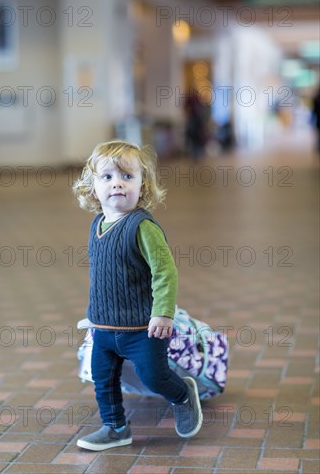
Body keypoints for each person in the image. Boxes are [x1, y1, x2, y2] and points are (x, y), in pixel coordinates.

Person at [73, 140, 202, 451]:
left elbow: (164, 272)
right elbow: (104, 276)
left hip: (143, 329)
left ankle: (182, 394)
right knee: (103, 382)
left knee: (154, 377)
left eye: (127, 176)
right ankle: (115, 427)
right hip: (103, 328)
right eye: (107, 177)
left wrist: (163, 313)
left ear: (143, 185)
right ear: (93, 188)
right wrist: (94, 314)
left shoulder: (142, 228)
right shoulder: (97, 225)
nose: (117, 183)